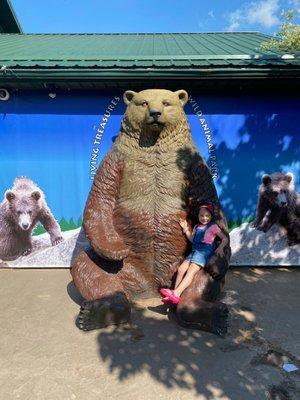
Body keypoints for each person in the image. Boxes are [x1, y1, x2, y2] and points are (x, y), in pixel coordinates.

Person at [160, 203, 228, 304]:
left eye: (207, 216)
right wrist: (185, 229)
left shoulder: (213, 226)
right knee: (181, 269)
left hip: (204, 252)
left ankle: (176, 293)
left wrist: (221, 248)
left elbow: (224, 238)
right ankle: (174, 294)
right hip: (194, 250)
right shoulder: (196, 227)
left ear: (210, 216)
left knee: (191, 271)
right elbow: (192, 240)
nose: (204, 218)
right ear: (198, 215)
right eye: (201, 215)